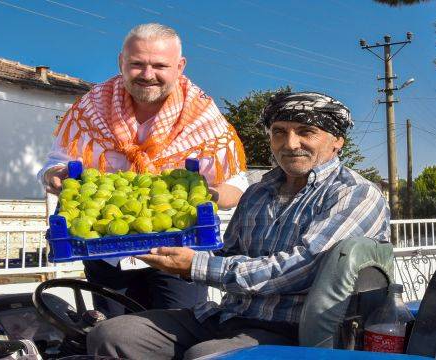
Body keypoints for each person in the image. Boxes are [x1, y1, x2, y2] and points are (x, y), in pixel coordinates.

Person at [86, 92, 391, 359]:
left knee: (205, 356)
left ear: (337, 140)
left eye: (306, 132)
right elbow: (227, 253)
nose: (290, 143)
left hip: (294, 330)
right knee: (112, 335)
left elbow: (302, 268)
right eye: (279, 132)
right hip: (227, 315)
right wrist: (171, 249)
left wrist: (197, 267)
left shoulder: (355, 193)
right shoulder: (259, 192)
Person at [37, 23, 248, 316]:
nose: (148, 75)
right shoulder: (91, 109)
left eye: (160, 65)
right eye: (137, 64)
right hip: (106, 251)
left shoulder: (203, 118)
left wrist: (209, 194)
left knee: (178, 335)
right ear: (121, 62)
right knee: (114, 337)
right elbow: (55, 162)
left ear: (180, 66)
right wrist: (54, 176)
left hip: (178, 251)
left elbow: (237, 184)